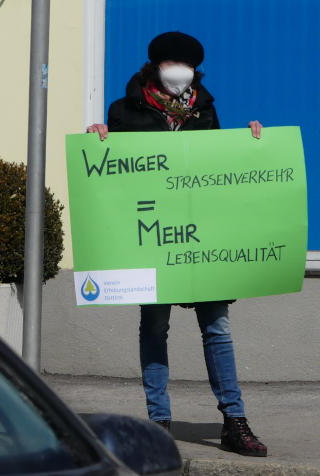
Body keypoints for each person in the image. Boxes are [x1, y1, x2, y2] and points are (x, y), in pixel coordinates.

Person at [87, 31, 267, 457]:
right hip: (152, 238)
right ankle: (158, 423)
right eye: (172, 63)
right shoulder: (125, 109)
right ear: (154, 67)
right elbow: (113, 172)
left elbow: (220, 168)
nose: (179, 71)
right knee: (154, 326)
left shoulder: (204, 109)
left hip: (200, 236)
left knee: (217, 327)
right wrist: (98, 135)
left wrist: (253, 145)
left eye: (186, 65)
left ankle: (234, 420)